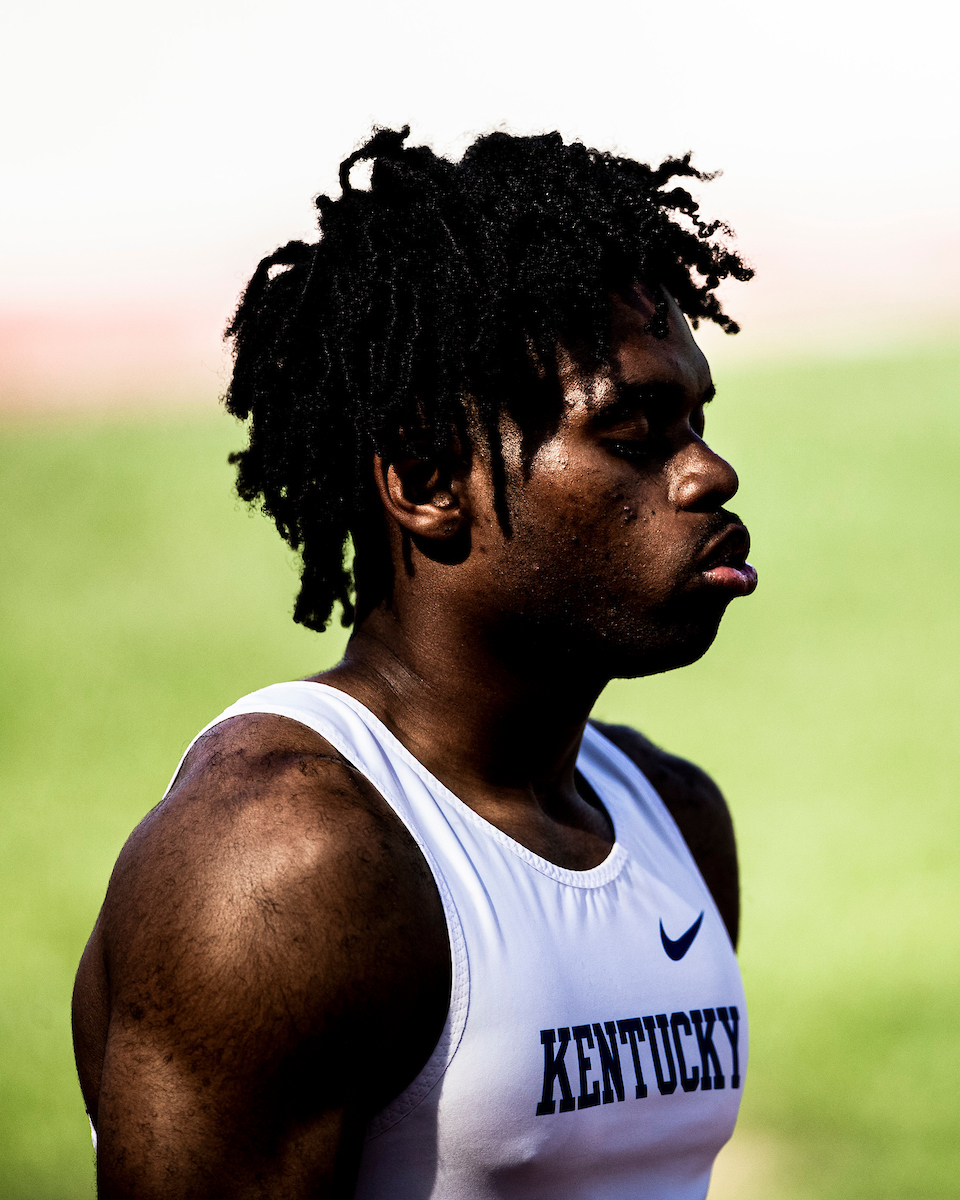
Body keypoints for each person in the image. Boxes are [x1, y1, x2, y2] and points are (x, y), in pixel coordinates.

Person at [73, 126, 757, 1199]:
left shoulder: (676, 822)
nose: (710, 472)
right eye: (635, 432)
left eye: (699, 419)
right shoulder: (279, 869)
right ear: (432, 479)